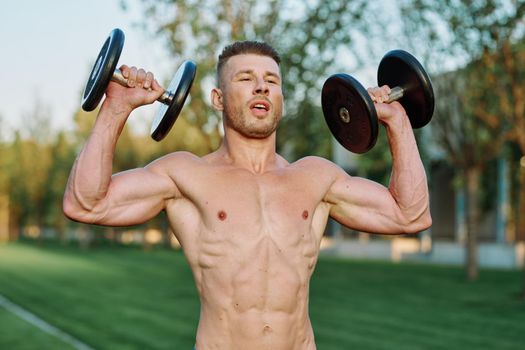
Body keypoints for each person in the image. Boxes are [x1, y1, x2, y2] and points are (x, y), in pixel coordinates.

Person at [63, 41, 432, 350]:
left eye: (271, 80)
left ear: (282, 100)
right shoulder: (186, 175)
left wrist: (397, 121)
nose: (261, 87)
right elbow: (86, 203)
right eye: (246, 78)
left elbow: (410, 215)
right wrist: (116, 107)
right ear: (218, 99)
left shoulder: (315, 177)